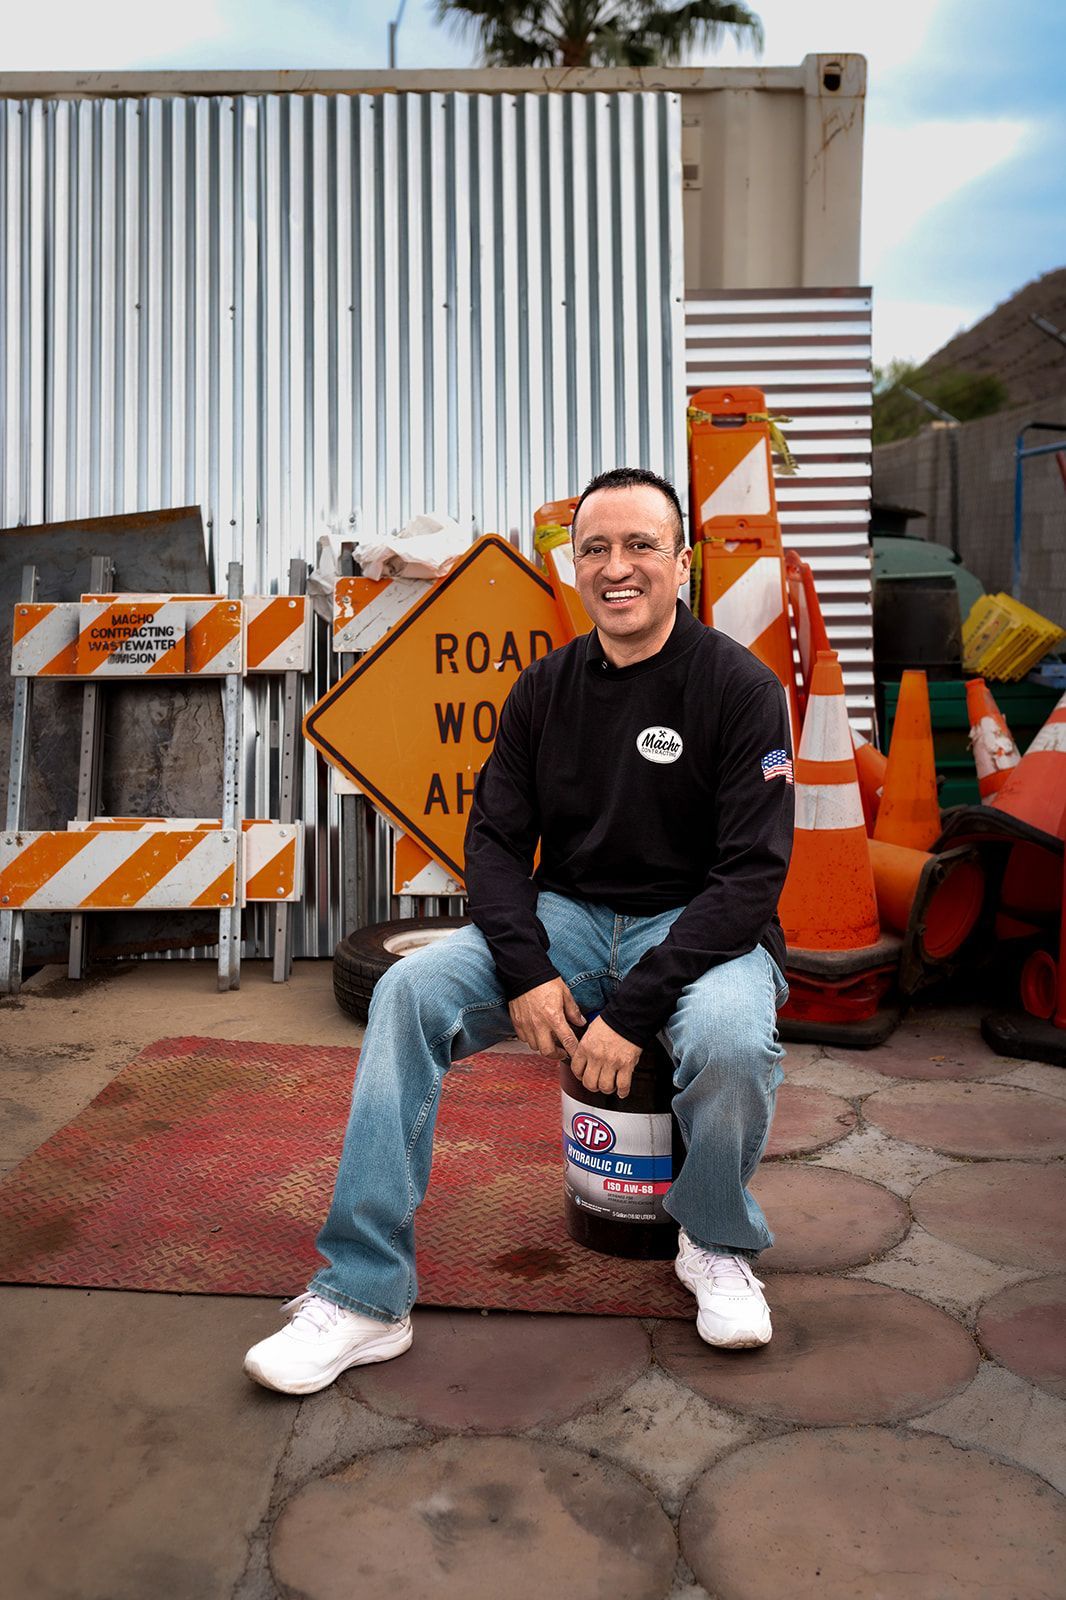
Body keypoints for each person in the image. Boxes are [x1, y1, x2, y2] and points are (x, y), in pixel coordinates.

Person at [244, 466, 794, 1395]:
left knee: (732, 1036)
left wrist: (632, 1009)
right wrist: (530, 970)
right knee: (409, 991)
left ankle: (714, 1240)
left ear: (682, 563)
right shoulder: (542, 691)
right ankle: (365, 1296)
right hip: (568, 918)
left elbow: (749, 878)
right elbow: (494, 845)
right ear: (575, 565)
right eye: (595, 549)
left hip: (696, 921)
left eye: (640, 546)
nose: (616, 568)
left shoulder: (739, 690)